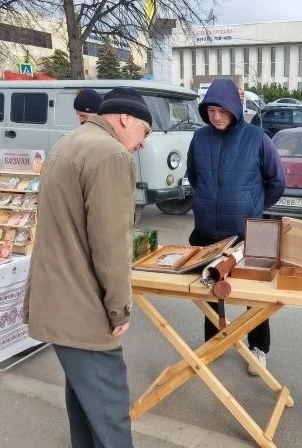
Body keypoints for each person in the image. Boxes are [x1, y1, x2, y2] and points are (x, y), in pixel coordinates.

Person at [23, 87, 153, 448]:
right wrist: (119, 308)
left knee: (84, 401)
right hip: (84, 305)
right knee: (108, 411)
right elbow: (111, 244)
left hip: (57, 298)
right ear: (125, 118)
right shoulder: (110, 155)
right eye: (145, 131)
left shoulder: (70, 142)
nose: (143, 143)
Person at [186, 79, 285, 375]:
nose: (216, 116)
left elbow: (277, 181)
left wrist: (252, 205)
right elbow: (194, 176)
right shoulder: (199, 138)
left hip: (246, 234)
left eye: (222, 110)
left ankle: (258, 348)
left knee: (252, 295)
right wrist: (205, 201)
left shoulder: (257, 138)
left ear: (235, 108)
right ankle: (214, 342)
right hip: (207, 233)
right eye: (211, 111)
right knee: (210, 290)